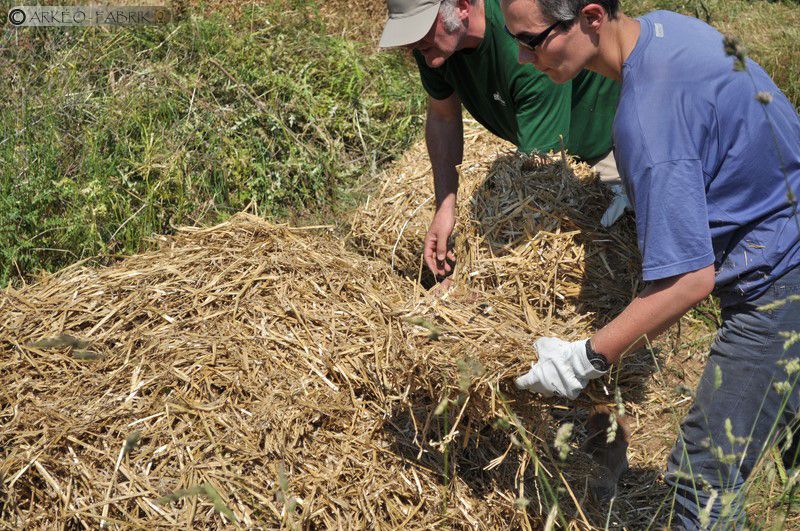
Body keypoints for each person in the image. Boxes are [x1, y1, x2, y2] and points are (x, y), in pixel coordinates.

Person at [501, 0, 800, 527]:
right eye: (516, 41)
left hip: (779, 279)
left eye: (533, 40)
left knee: (704, 474)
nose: (524, 59)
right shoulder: (665, 28)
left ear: (591, 17)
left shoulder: (647, 117)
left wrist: (585, 359)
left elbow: (688, 281)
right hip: (784, 226)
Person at [378, 0, 627, 280]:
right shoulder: (434, 48)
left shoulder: (526, 48)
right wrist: (445, 206)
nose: (412, 46)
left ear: (461, 6)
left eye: (421, 28)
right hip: (546, 149)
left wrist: (473, 278)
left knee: (612, 258)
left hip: (606, 144)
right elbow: (443, 117)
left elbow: (538, 183)